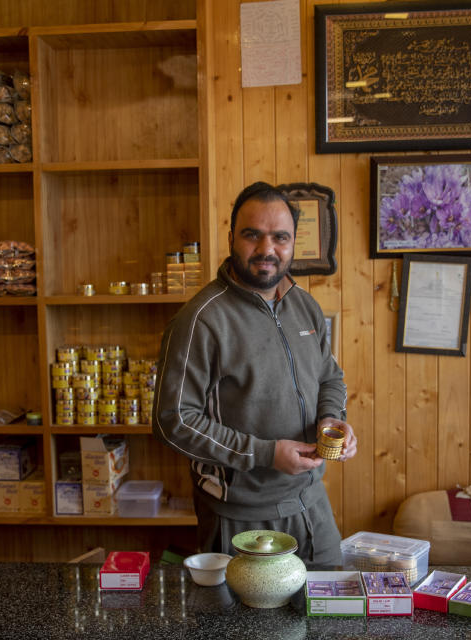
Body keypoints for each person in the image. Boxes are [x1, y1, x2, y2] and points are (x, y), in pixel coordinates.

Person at [153, 181, 357, 565]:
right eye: (253, 235)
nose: (267, 250)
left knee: (328, 617)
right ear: (231, 237)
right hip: (240, 517)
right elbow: (173, 421)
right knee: (247, 627)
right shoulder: (202, 319)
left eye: (280, 237)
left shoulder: (305, 307)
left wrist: (333, 419)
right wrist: (264, 454)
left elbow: (330, 377)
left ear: (295, 240)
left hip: (312, 504)